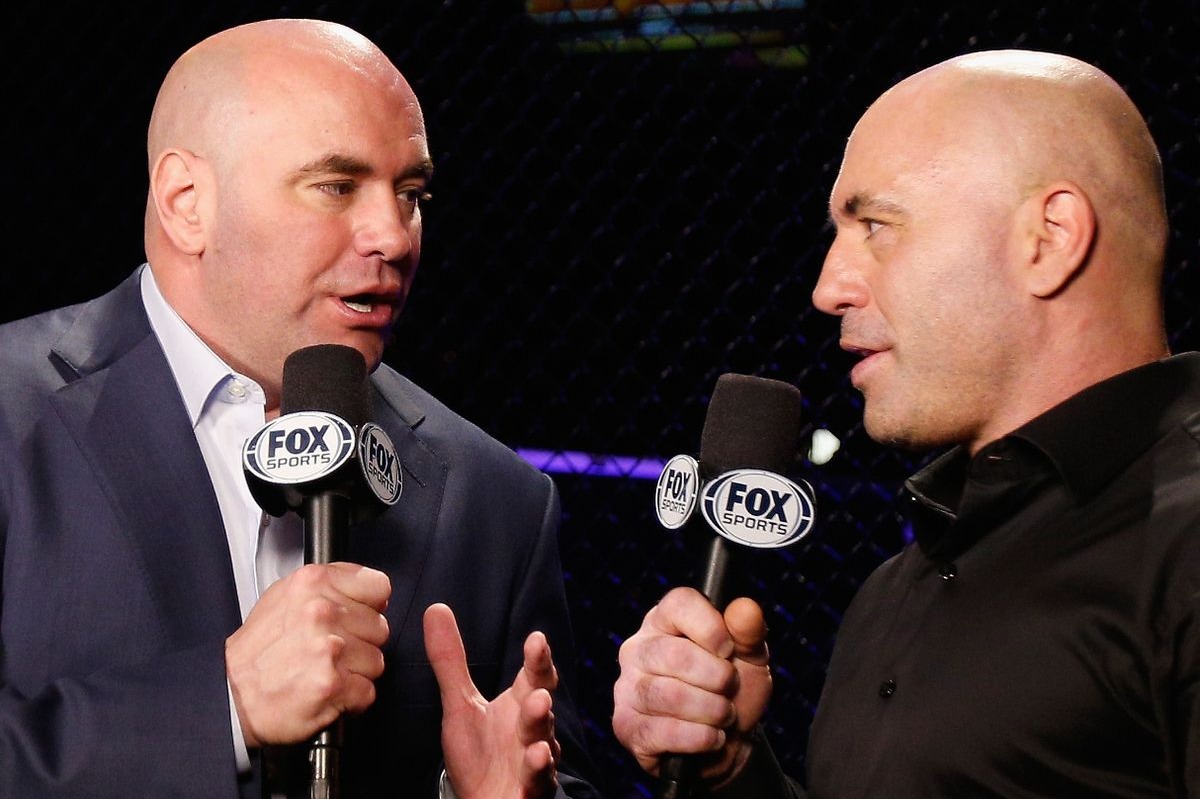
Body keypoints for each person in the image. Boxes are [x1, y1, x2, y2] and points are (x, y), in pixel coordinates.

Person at [0, 18, 601, 799]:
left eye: (412, 194)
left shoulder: (496, 501)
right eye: (337, 186)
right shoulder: (11, 414)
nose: (394, 236)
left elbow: (555, 773)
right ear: (187, 203)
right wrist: (224, 706)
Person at [611, 49, 1199, 797]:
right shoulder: (900, 585)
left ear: (1049, 238)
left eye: (877, 225)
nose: (829, 286)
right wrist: (733, 775)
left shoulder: (1182, 546)